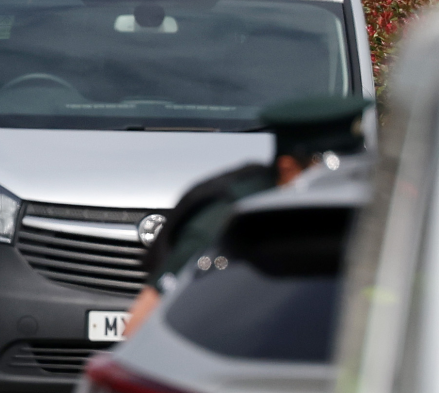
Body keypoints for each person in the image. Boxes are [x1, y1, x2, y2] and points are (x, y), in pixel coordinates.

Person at [122, 93, 372, 334]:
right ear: (289, 168)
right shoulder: (230, 218)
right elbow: (142, 320)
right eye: (331, 173)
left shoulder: (357, 212)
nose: (344, 183)